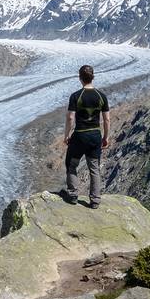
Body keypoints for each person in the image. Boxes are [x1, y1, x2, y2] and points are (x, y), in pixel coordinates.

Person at [60, 64, 110, 208]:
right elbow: (107, 119)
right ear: (93, 77)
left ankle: (73, 194)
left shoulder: (76, 96)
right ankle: (95, 200)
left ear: (80, 78)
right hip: (95, 135)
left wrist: (66, 136)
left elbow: (70, 118)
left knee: (71, 164)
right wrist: (105, 137)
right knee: (94, 168)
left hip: (80, 136)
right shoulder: (101, 96)